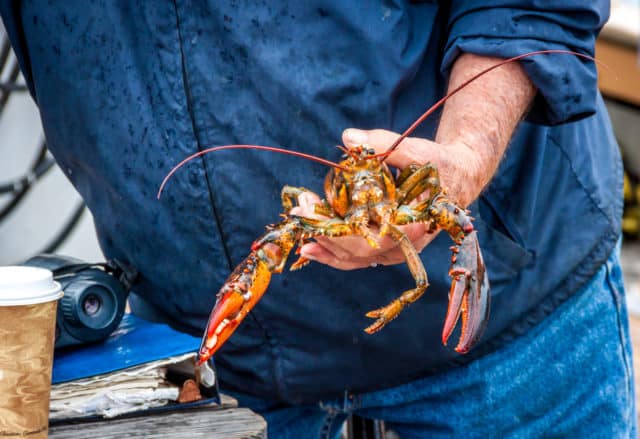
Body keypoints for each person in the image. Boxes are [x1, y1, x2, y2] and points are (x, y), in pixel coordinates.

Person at [2, 1, 635, 437]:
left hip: (512, 328)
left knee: (455, 224)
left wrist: (463, 157)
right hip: (199, 348)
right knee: (284, 239)